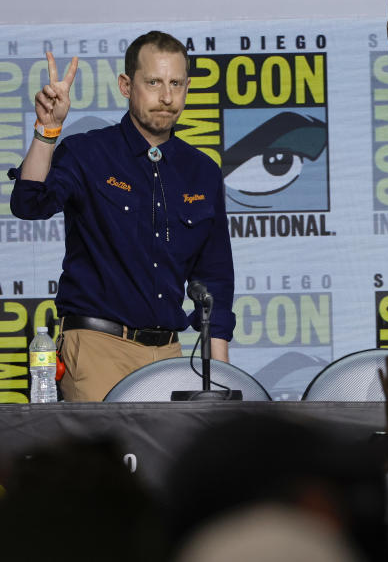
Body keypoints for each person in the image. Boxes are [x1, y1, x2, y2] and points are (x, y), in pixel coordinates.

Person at [8, 31, 235, 402]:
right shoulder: (87, 153)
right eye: (154, 82)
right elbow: (29, 203)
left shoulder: (202, 172)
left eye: (176, 83)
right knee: (105, 461)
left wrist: (220, 379)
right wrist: (47, 130)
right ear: (126, 85)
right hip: (97, 349)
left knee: (171, 461)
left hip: (171, 356)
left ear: (187, 87)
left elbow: (215, 283)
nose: (166, 96)